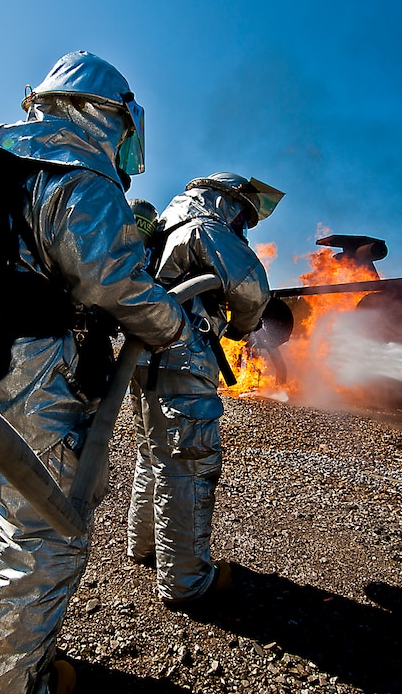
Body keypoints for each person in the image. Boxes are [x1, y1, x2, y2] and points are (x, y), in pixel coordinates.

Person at [0, 51, 196, 694]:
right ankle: (8, 686)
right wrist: (173, 324)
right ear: (101, 111)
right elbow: (109, 276)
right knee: (46, 538)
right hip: (39, 376)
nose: (123, 140)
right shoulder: (79, 172)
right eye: (122, 124)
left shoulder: (1, 157)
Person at [126, 172, 283, 607]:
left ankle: (145, 548)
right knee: (190, 464)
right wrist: (242, 326)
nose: (243, 228)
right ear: (227, 201)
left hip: (143, 360)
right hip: (182, 354)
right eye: (244, 218)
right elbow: (252, 285)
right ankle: (187, 580)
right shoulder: (204, 226)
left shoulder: (164, 229)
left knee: (152, 456)